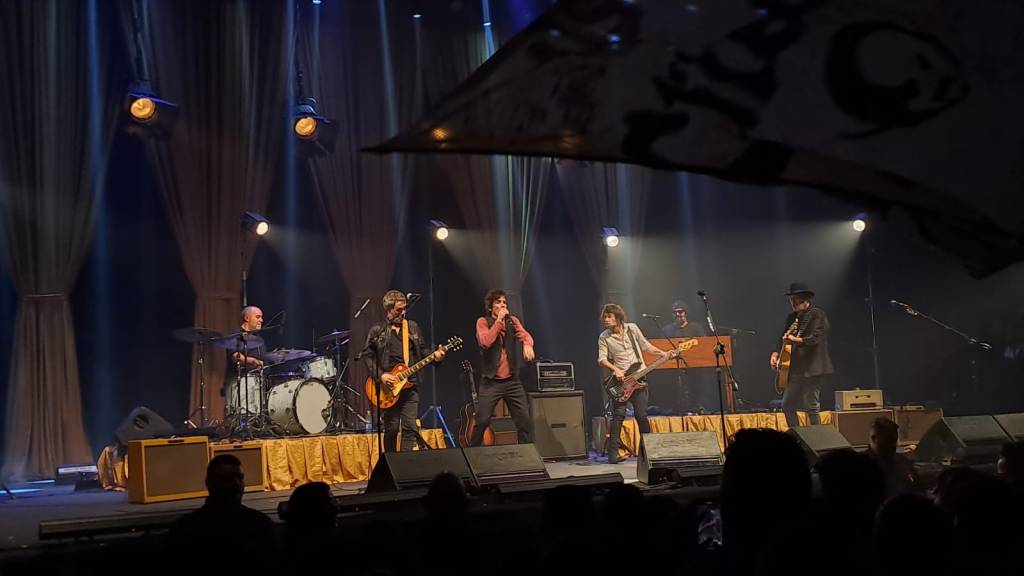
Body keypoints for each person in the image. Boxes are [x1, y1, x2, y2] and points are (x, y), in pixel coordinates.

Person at [361, 290, 445, 451]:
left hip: (411, 385)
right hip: (389, 388)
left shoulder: (412, 327)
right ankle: (391, 465)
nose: (403, 313)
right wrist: (382, 375)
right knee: (391, 429)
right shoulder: (377, 330)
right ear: (389, 310)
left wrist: (436, 356)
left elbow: (422, 351)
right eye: (399, 310)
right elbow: (367, 357)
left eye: (404, 309)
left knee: (410, 428)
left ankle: (405, 467)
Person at [167, 454, 277, 571]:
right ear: (209, 483)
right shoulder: (260, 523)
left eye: (240, 478)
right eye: (228, 479)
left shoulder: (261, 524)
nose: (237, 484)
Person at [598, 303, 673, 464]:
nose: (606, 319)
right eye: (604, 316)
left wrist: (663, 354)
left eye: (609, 316)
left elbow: (646, 346)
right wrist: (615, 369)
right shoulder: (604, 336)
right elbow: (602, 358)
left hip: (640, 378)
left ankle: (648, 451)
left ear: (618, 317)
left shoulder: (632, 328)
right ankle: (613, 454)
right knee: (618, 417)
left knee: (641, 416)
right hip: (621, 382)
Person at [472, 290, 535, 445]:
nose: (502, 305)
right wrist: (499, 321)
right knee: (482, 421)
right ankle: (472, 454)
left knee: (524, 420)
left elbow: (526, 335)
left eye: (504, 302)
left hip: (512, 381)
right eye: (498, 302)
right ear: (490, 307)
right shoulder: (483, 322)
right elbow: (485, 341)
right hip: (491, 382)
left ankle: (526, 454)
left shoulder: (512, 321)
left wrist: (528, 344)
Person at [770, 283, 833, 428]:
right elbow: (781, 338)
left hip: (813, 368)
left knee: (811, 407)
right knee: (787, 405)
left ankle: (818, 441)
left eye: (796, 299)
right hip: (796, 369)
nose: (793, 302)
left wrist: (795, 340)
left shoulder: (817, 314)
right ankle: (798, 437)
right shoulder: (792, 318)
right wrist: (775, 354)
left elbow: (815, 339)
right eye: (791, 299)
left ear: (807, 301)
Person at [661, 299, 709, 413]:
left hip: (695, 365)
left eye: (681, 311)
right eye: (675, 312)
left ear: (686, 313)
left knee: (696, 384)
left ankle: (696, 405)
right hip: (673, 365)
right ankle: (675, 407)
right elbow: (662, 346)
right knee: (673, 386)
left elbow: (704, 345)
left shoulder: (696, 327)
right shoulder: (667, 329)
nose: (678, 314)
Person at [225, 305, 266, 415]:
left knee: (257, 415)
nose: (261, 320)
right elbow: (235, 356)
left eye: (261, 317)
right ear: (247, 318)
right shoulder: (236, 335)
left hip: (258, 380)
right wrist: (251, 360)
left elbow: (265, 358)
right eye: (258, 317)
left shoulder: (259, 339)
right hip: (239, 380)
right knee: (242, 414)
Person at [867, 417, 918, 497]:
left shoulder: (903, 462)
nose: (894, 445)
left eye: (895, 440)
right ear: (874, 438)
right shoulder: (859, 466)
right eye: (889, 440)